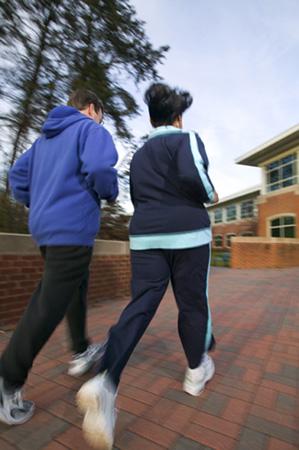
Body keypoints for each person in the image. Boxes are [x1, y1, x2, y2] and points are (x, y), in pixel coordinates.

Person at [77, 82, 219, 450]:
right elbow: (196, 178)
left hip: (145, 236)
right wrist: (211, 193)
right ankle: (194, 372)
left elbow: (138, 197)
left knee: (140, 306)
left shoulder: (139, 155)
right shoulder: (186, 138)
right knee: (192, 302)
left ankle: (105, 381)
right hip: (188, 235)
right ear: (177, 117)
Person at [0, 88, 119, 425]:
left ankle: (81, 349)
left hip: (46, 228)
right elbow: (99, 168)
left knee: (73, 287)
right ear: (93, 109)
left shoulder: (43, 141)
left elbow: (17, 177)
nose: (100, 120)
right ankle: (7, 378)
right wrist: (108, 191)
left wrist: (39, 202)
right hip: (72, 228)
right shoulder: (91, 129)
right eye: (101, 114)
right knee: (48, 303)